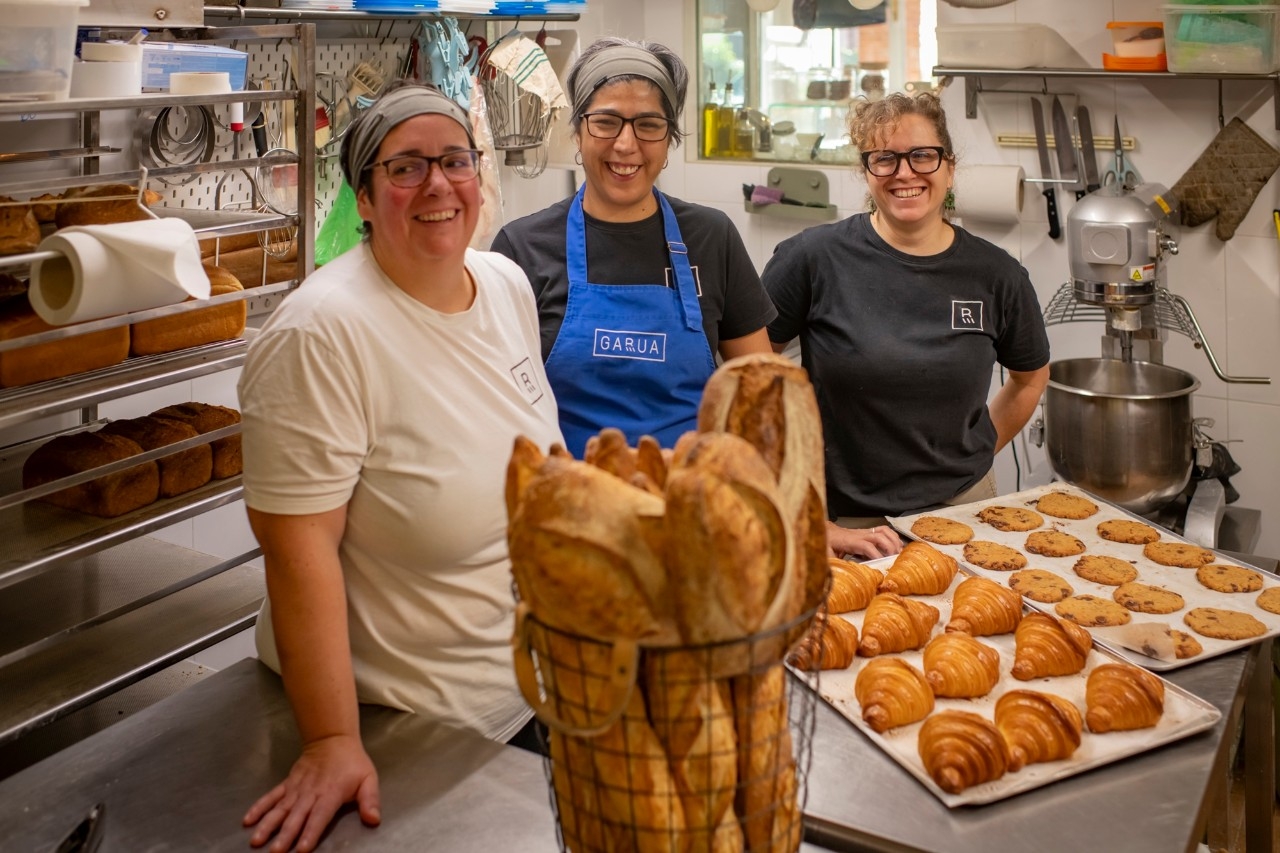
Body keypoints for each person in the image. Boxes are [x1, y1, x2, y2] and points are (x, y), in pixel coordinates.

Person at [238, 82, 563, 853]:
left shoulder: (504, 285)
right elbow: (297, 548)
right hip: (414, 723)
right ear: (364, 195)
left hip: (531, 687)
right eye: (406, 168)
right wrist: (330, 741)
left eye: (454, 161)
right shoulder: (324, 332)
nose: (438, 185)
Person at [762, 91, 1050, 561]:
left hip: (965, 512)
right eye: (885, 159)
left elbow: (1031, 378)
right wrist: (799, 508)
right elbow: (746, 379)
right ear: (866, 171)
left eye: (922, 156)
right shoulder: (811, 260)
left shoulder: (997, 275)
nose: (904, 172)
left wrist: (972, 456)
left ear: (949, 167)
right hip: (845, 521)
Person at [491, 37, 777, 458]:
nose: (626, 145)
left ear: (668, 141)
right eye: (606, 122)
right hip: (565, 500)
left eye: (648, 124)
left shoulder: (712, 237)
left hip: (689, 501)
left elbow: (762, 400)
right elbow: (495, 405)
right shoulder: (522, 247)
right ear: (577, 130)